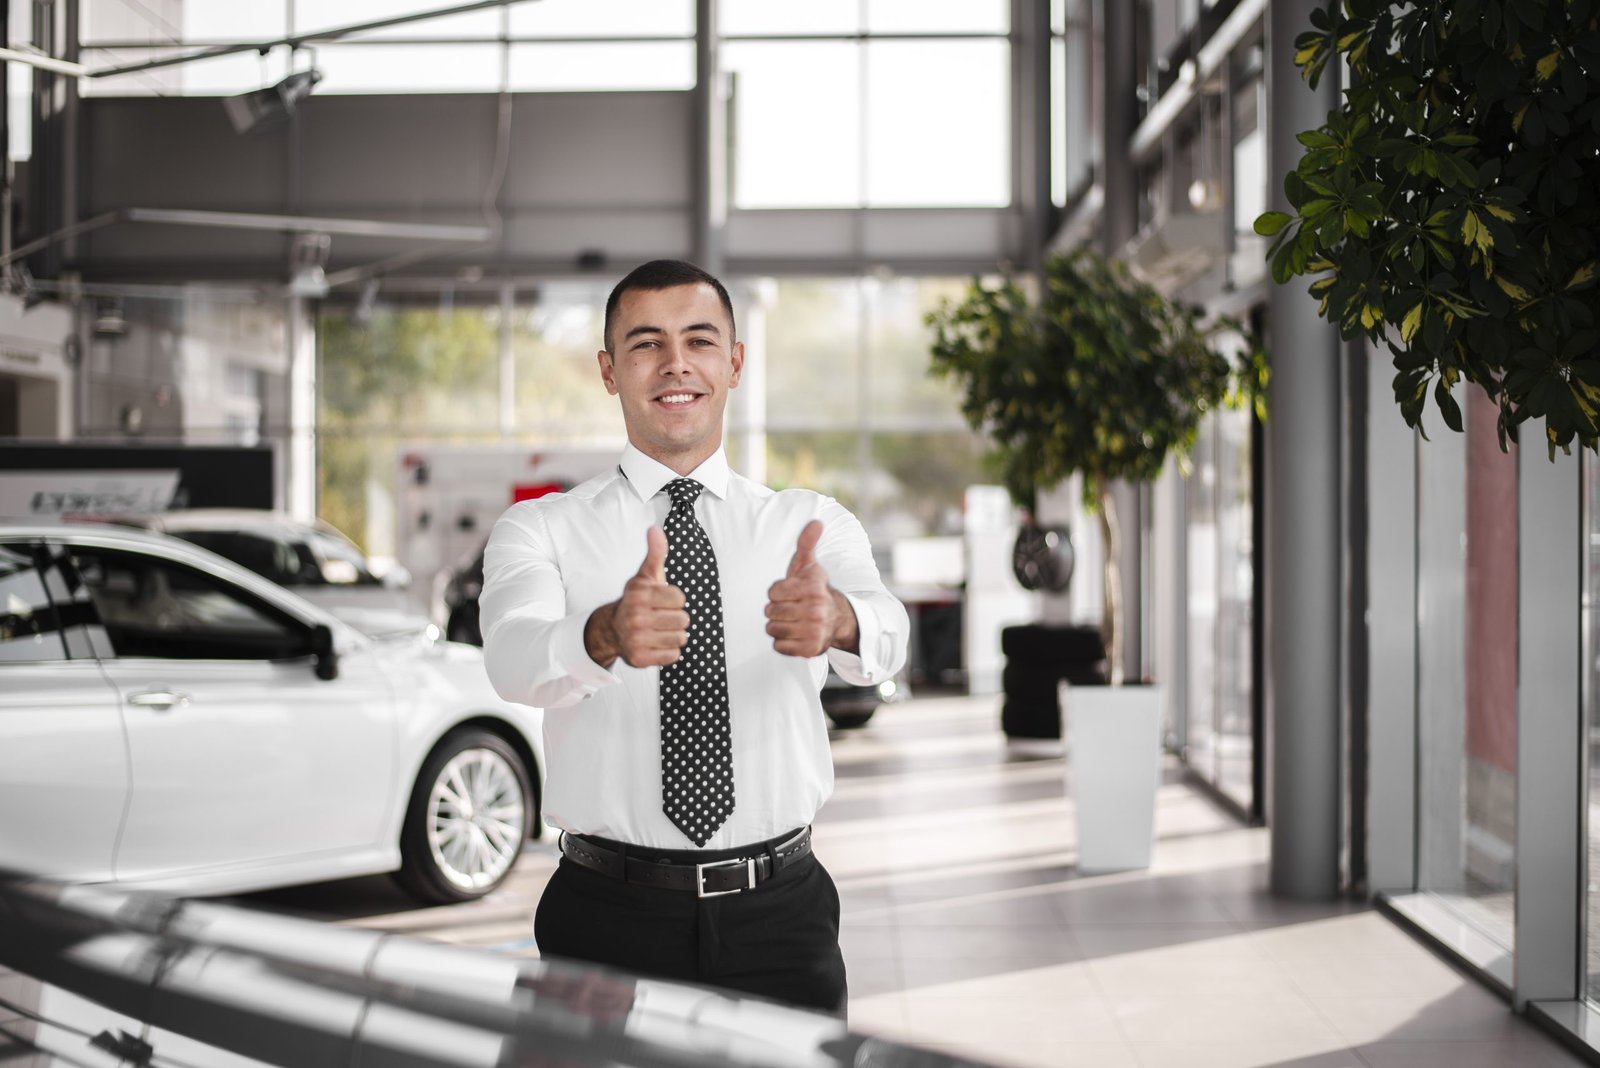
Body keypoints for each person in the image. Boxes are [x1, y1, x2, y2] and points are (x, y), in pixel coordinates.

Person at [479, 259, 908, 1015]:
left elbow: (887, 633)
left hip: (782, 918)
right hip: (604, 919)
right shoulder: (541, 528)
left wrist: (839, 619)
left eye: (699, 341)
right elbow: (513, 659)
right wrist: (602, 633)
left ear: (734, 363)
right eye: (646, 343)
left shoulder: (808, 522)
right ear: (609, 371)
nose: (675, 363)